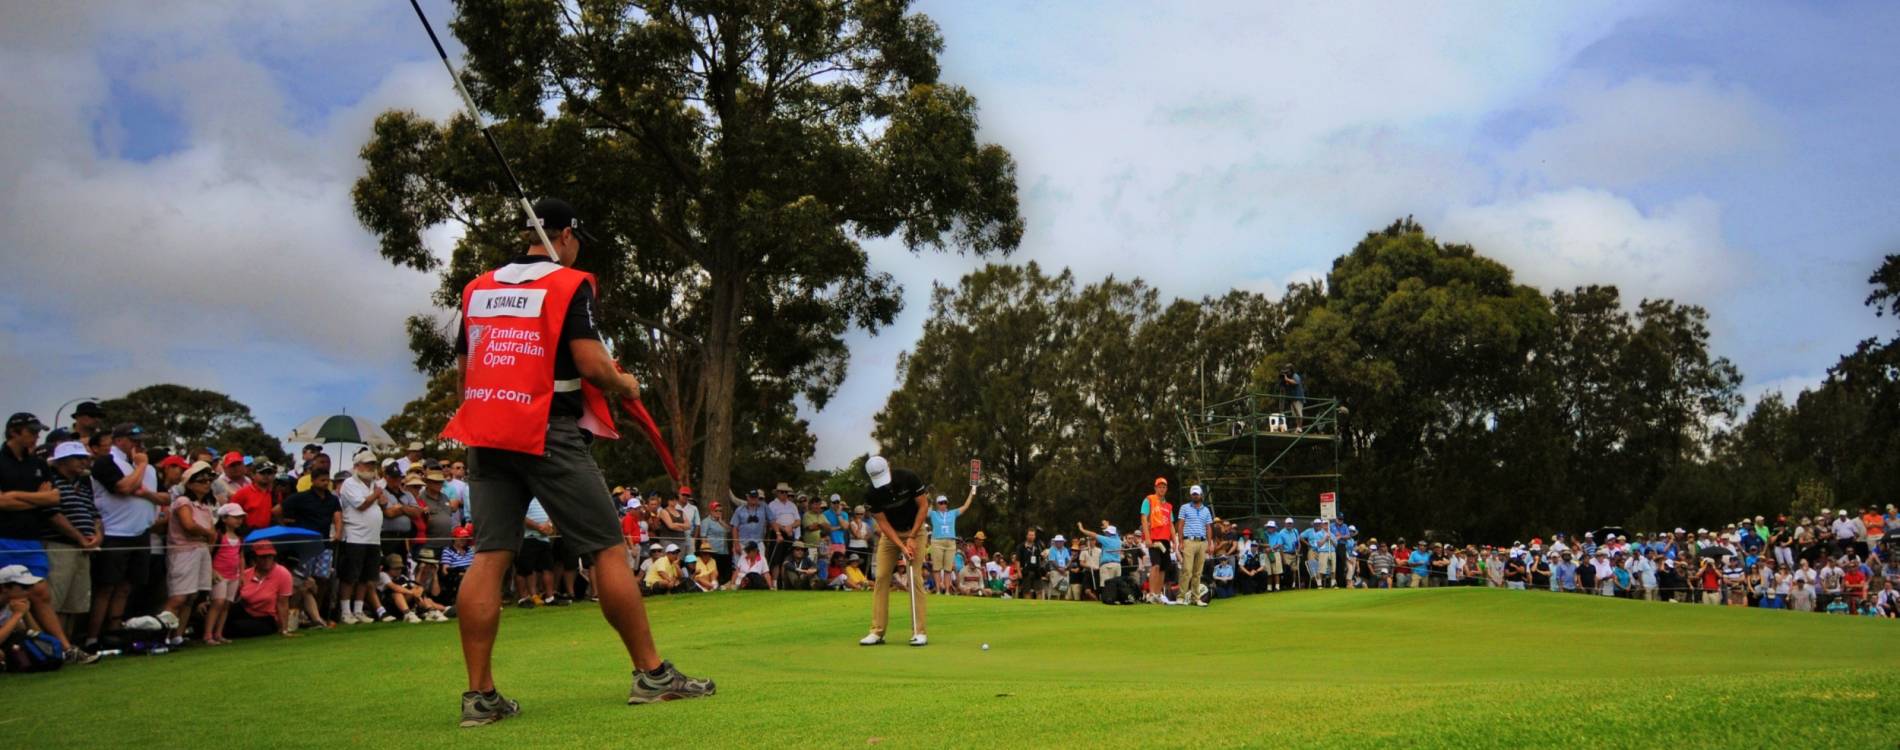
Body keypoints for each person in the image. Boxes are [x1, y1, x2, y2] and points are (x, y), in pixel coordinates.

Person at [442, 198, 713, 724]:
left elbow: (464, 372)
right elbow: (591, 364)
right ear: (564, 235)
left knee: (490, 555)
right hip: (546, 430)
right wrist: (625, 383)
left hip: (487, 432)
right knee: (606, 549)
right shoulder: (569, 284)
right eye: (577, 240)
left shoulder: (477, 288)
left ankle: (479, 697)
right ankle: (652, 675)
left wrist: (485, 418)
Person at [1, 414, 95, 664]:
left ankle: (61, 648)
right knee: (6, 594)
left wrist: (15, 497)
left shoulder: (38, 464)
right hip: (3, 538)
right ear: (14, 432)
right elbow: (1, 502)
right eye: (31, 431)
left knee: (40, 593)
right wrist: (35, 499)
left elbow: (53, 499)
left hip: (31, 539)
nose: (36, 436)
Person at [85, 423, 167, 647]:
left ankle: (114, 632)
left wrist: (146, 493)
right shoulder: (106, 462)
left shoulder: (149, 469)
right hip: (114, 532)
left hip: (140, 532)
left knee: (126, 586)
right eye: (134, 440)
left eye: (141, 440)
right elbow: (123, 488)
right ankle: (92, 637)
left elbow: (165, 497)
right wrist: (141, 466)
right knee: (106, 587)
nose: (139, 444)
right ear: (119, 440)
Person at [859, 456, 929, 646]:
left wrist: (912, 537)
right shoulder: (871, 493)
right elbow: (883, 523)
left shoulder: (908, 477)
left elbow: (923, 506)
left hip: (916, 530)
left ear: (888, 467)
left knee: (914, 577)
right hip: (891, 535)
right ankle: (877, 632)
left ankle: (919, 632)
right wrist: (901, 545)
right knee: (882, 576)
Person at [43, 441, 100, 637]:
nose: (84, 462)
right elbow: (53, 515)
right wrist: (79, 537)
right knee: (55, 600)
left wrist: (97, 536)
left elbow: (95, 515)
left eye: (85, 458)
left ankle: (66, 644)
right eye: (78, 458)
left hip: (84, 549)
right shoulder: (52, 483)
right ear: (62, 461)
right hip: (60, 546)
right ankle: (53, 645)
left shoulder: (82, 486)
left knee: (74, 604)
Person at [336, 451, 390, 625]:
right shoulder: (349, 484)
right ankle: (346, 612)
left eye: (373, 464)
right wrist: (376, 494)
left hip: (373, 538)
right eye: (367, 464)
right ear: (357, 466)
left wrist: (380, 498)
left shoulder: (375, 484)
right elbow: (361, 505)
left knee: (366, 577)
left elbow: (380, 505)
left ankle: (358, 611)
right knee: (350, 576)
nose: (370, 467)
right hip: (355, 536)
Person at [224, 541, 297, 639]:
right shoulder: (246, 574)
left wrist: (284, 629)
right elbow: (232, 596)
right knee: (217, 614)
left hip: (267, 618)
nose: (266, 560)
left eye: (269, 556)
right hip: (245, 610)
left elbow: (283, 604)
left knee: (236, 627)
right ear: (255, 558)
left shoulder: (283, 574)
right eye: (263, 557)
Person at [203, 504, 247, 644]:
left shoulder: (239, 537)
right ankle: (208, 634)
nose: (239, 520)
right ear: (224, 518)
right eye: (235, 517)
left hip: (233, 575)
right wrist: (212, 571)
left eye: (240, 517)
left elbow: (241, 557)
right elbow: (208, 554)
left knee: (227, 604)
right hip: (219, 574)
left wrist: (242, 574)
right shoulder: (218, 536)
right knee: (218, 602)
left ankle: (218, 633)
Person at [927, 489, 974, 596]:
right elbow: (925, 512)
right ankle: (938, 590)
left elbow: (965, 506)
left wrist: (971, 494)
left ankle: (947, 591)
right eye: (940, 503)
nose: (943, 505)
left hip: (950, 542)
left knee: (948, 569)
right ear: (937, 504)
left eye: (945, 502)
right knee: (937, 568)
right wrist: (928, 500)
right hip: (937, 542)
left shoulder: (952, 513)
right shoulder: (933, 513)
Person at [1139, 477, 1176, 604]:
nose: (1162, 489)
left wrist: (1174, 541)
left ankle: (1158, 594)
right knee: (1155, 565)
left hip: (1165, 539)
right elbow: (1144, 518)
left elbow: (1171, 524)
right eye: (1159, 487)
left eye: (1164, 487)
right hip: (1154, 538)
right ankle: (1151, 594)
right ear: (1155, 488)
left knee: (1163, 568)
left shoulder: (1168, 506)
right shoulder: (1149, 500)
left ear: (1166, 489)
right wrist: (1147, 537)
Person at [1176, 486, 1213, 606]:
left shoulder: (1206, 510)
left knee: (1198, 572)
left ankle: (1195, 598)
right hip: (1189, 541)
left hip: (1202, 542)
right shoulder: (1184, 507)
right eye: (1193, 494)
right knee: (1187, 570)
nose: (1195, 496)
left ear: (1201, 495)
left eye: (1197, 494)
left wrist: (1210, 544)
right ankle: (1181, 597)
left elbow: (1208, 527)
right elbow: (1180, 525)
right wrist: (1180, 541)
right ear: (1191, 495)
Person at [230, 460, 277, 527]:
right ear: (253, 475)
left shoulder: (273, 493)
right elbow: (231, 514)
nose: (266, 475)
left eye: (269, 473)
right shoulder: (243, 493)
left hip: (267, 531)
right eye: (262, 473)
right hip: (248, 531)